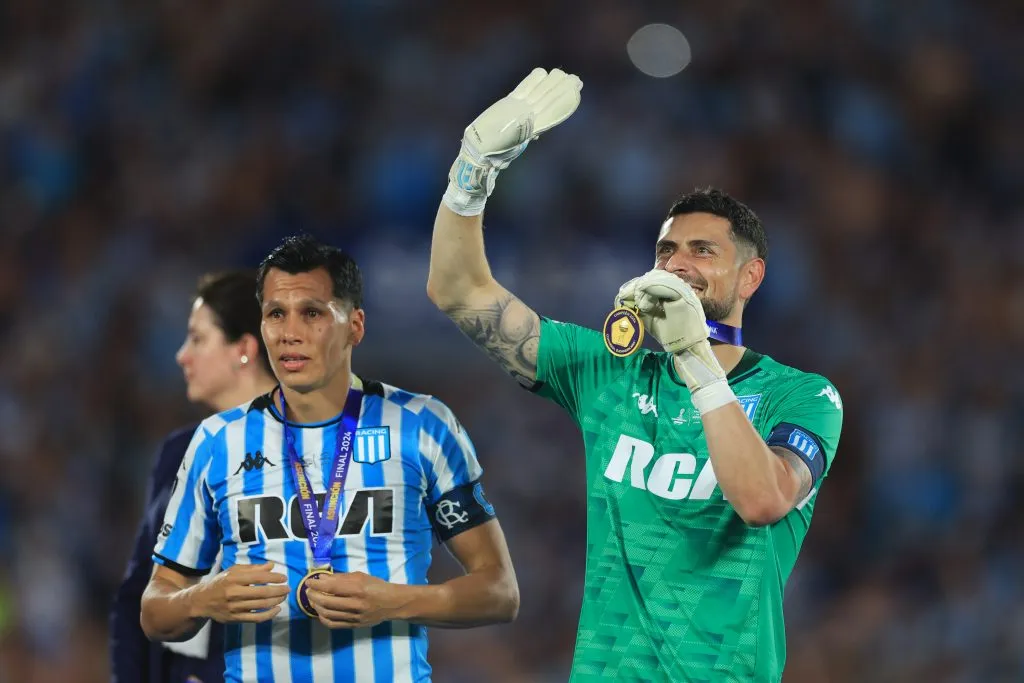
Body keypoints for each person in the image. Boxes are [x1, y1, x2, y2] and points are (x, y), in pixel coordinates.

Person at [427, 68, 844, 682]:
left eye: (703, 251)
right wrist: (471, 173)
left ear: (750, 277)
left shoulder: (801, 396)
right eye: (666, 251)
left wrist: (696, 358)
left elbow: (761, 500)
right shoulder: (609, 371)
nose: (678, 265)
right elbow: (458, 291)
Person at [140, 234, 519, 683]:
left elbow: (499, 591)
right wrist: (201, 599)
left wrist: (395, 601)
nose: (290, 333)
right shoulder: (218, 440)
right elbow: (155, 609)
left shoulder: (422, 425)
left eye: (312, 313)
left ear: (355, 326)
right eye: (276, 314)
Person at [111, 270, 278, 683]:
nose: (182, 356)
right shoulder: (178, 452)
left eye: (198, 339)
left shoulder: (310, 451)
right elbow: (136, 595)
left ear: (243, 349)